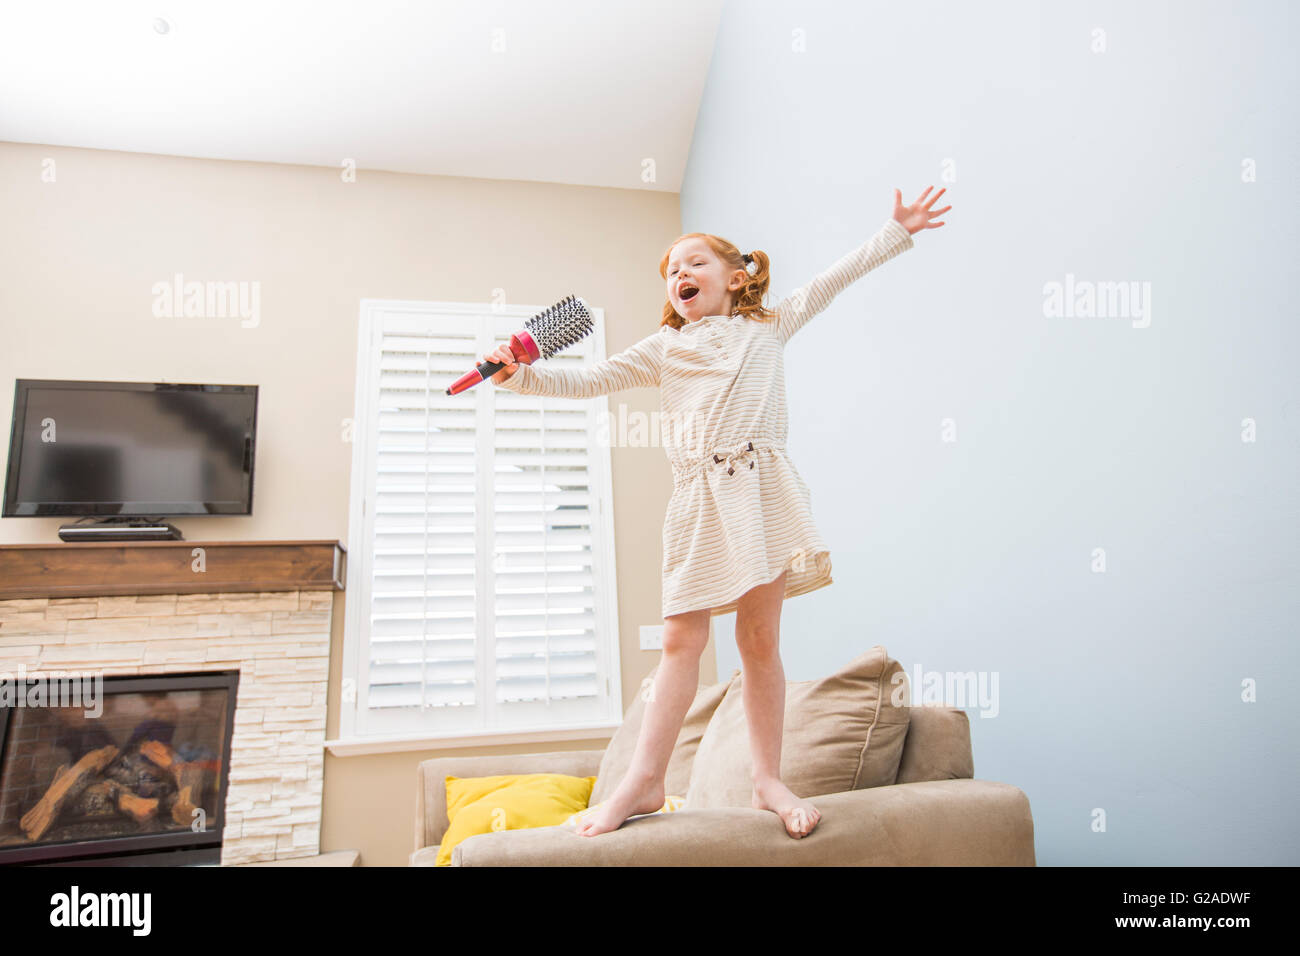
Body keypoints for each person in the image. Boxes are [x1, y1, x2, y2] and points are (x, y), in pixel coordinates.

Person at [484, 186, 950, 839]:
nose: (680, 276)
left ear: (736, 278)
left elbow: (829, 282)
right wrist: (519, 375)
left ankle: (767, 780)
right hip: (699, 498)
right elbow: (589, 380)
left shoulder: (769, 326)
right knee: (681, 640)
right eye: (672, 271)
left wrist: (893, 231)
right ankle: (644, 782)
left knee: (759, 641)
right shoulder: (662, 349)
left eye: (693, 264)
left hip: (761, 492)